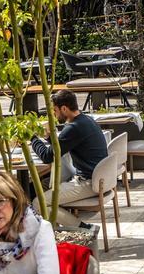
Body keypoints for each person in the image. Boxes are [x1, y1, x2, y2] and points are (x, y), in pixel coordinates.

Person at [29, 88, 107, 229]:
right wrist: (48, 137)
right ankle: (56, 233)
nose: (54, 114)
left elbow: (47, 156)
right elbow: (61, 147)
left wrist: (32, 138)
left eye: (55, 110)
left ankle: (83, 228)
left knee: (38, 202)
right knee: (44, 184)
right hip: (99, 179)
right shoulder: (86, 120)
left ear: (64, 108)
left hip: (88, 183)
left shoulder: (74, 127)